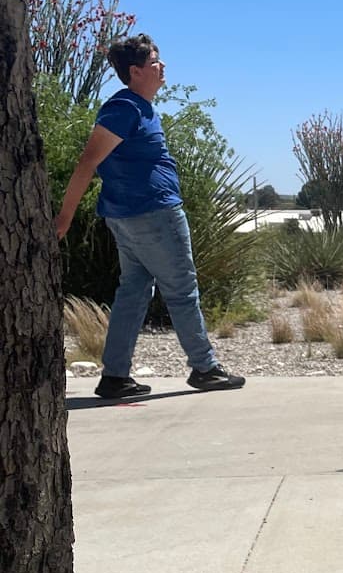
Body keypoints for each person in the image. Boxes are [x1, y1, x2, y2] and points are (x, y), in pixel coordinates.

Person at [55, 33, 245, 400]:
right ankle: (205, 368)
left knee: (134, 291)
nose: (162, 66)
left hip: (130, 216)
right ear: (135, 71)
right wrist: (64, 218)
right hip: (153, 214)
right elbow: (88, 162)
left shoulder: (138, 108)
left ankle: (115, 376)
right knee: (182, 290)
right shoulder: (124, 109)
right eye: (155, 61)